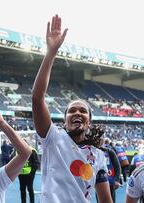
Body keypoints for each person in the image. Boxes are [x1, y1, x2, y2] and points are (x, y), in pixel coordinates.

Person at [32, 15, 112, 203]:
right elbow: (37, 98)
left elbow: (105, 200)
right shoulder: (52, 138)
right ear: (65, 119)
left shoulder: (99, 156)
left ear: (89, 121)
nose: (77, 113)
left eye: (83, 111)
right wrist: (51, 52)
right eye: (72, 110)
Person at [98, 138, 121, 203]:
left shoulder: (110, 151)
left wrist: (117, 180)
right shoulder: (93, 152)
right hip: (98, 183)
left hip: (110, 182)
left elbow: (117, 167)